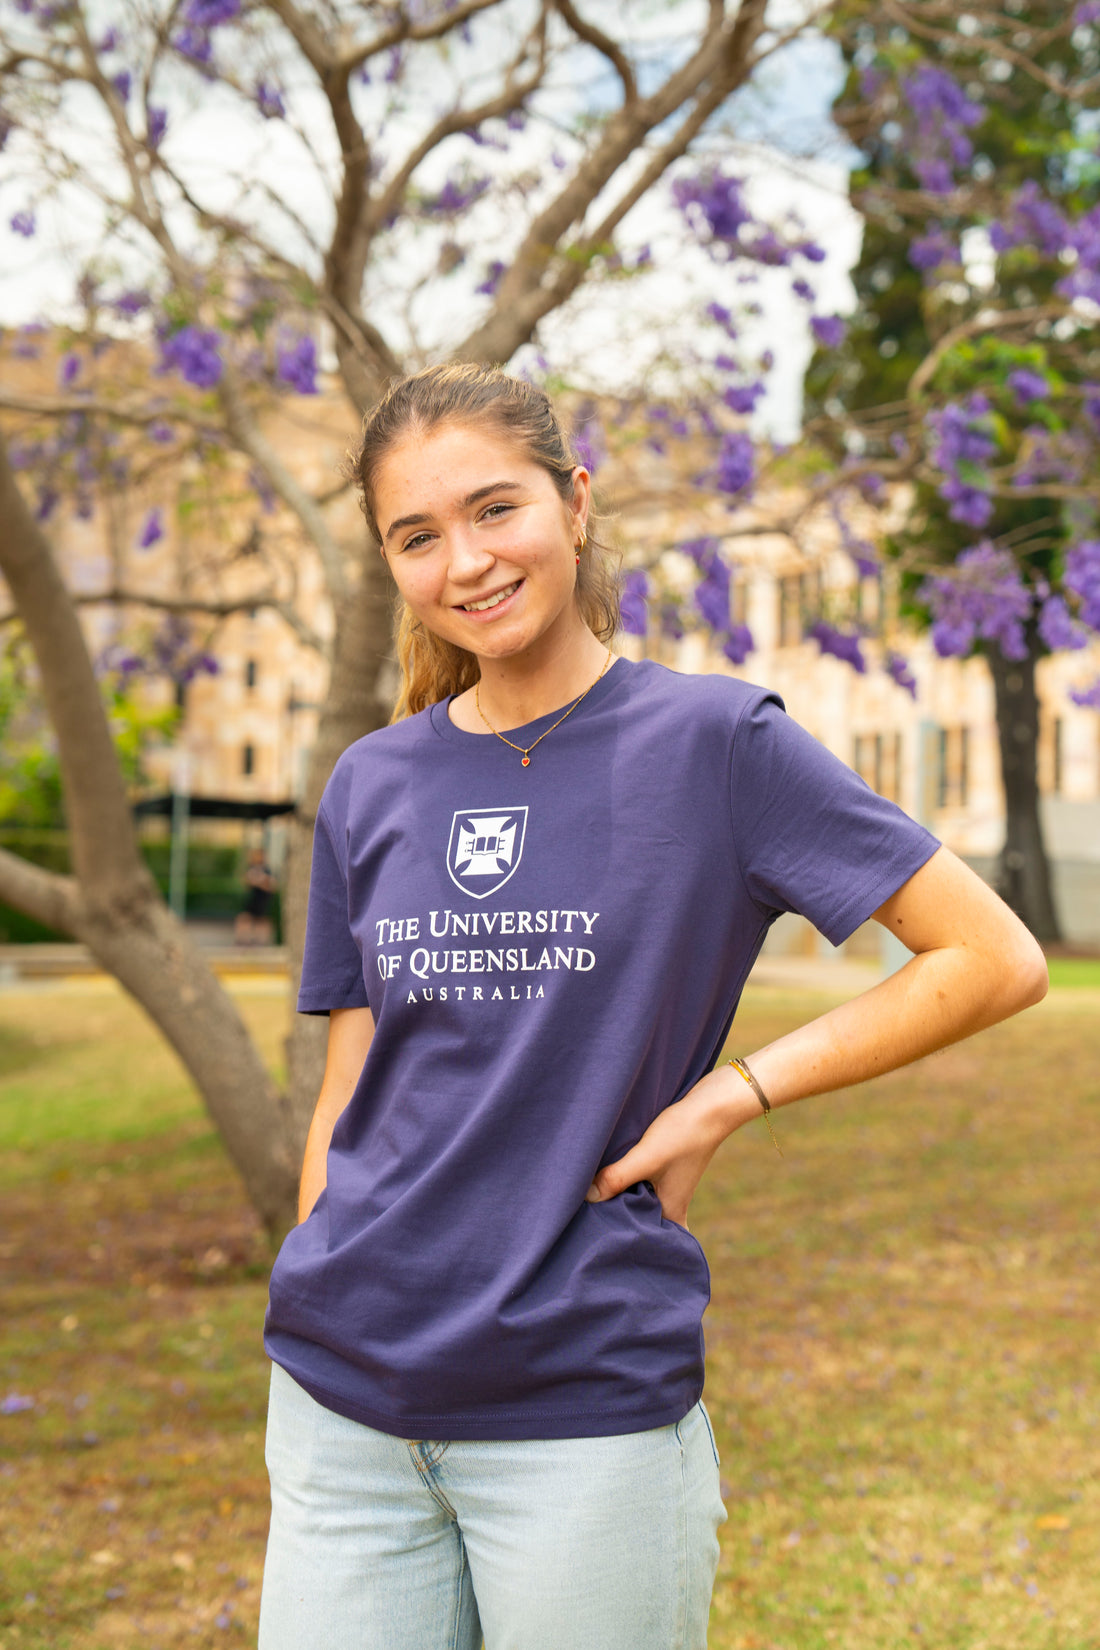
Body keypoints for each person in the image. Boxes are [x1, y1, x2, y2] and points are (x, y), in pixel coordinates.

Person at [258, 364, 1047, 1650]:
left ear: (573, 504)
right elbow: (354, 1083)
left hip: (581, 1409)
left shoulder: (715, 744)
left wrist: (731, 1096)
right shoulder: (371, 782)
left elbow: (991, 957)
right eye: (416, 537)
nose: (463, 562)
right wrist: (315, 1267)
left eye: (493, 510)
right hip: (343, 1405)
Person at [235, 846, 276, 946]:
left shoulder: (266, 870)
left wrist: (259, 882)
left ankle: (260, 942)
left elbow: (271, 885)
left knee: (261, 921)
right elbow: (247, 882)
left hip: (262, 899)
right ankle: (243, 941)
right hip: (252, 899)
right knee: (245, 919)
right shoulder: (251, 868)